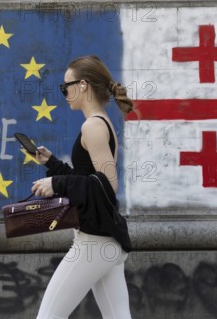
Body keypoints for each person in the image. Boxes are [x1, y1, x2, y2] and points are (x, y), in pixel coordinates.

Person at [31, 55, 134, 319]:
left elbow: (107, 185)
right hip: (105, 240)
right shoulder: (100, 122)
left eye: (67, 86)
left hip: (94, 243)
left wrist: (56, 183)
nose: (64, 93)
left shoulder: (93, 126)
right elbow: (88, 179)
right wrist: (53, 164)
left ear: (84, 85)